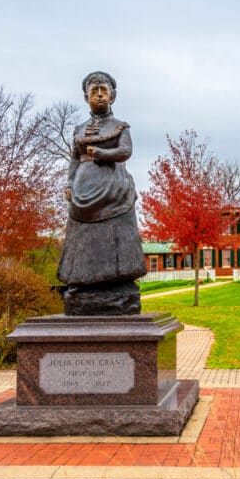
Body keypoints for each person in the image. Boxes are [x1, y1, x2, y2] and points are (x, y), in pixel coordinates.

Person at [57, 71, 146, 315]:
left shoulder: (120, 126)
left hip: (112, 186)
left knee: (116, 231)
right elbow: (74, 159)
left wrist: (102, 154)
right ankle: (81, 282)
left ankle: (118, 278)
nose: (98, 95)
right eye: (93, 90)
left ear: (112, 96)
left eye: (103, 90)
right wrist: (68, 184)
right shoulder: (79, 129)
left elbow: (125, 151)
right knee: (82, 234)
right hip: (82, 188)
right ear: (86, 96)